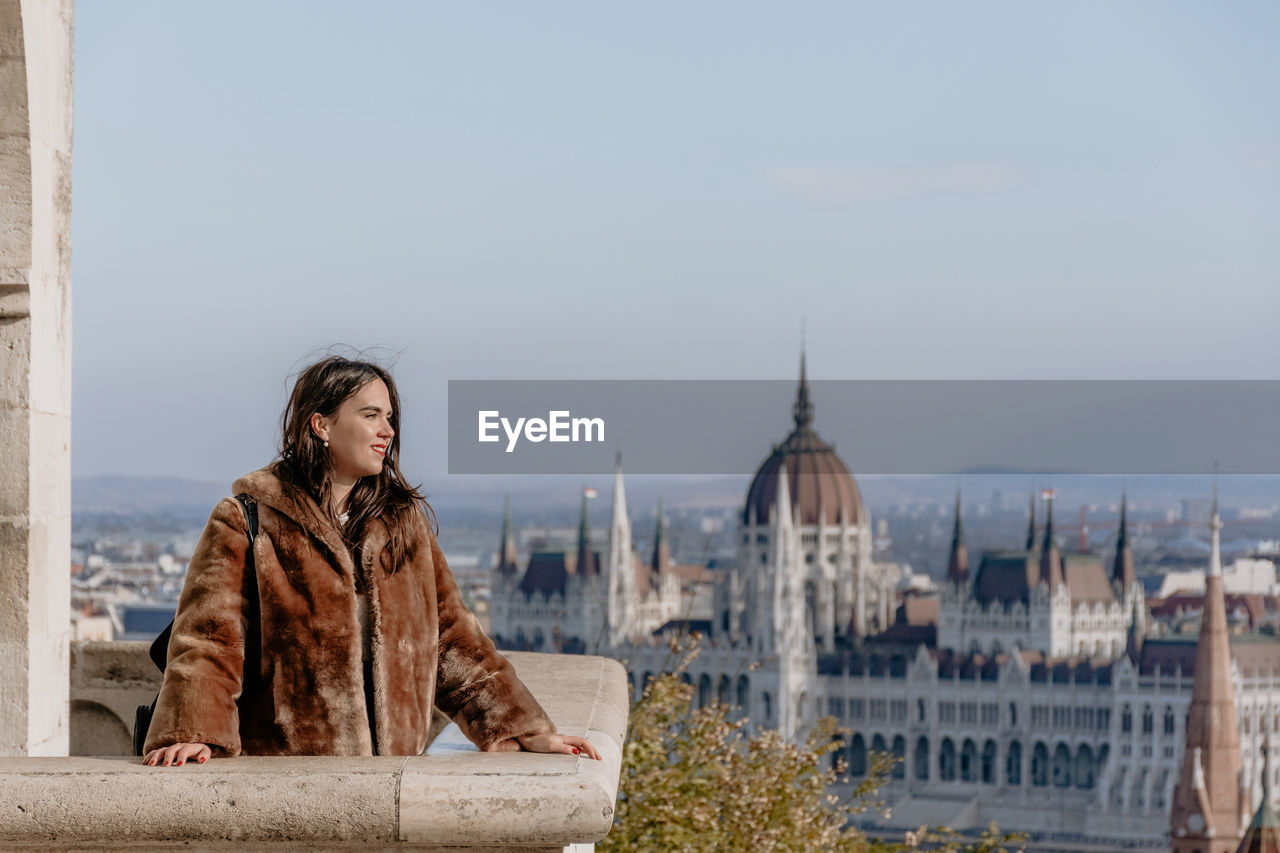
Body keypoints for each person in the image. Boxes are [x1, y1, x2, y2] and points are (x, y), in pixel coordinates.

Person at [143, 355, 599, 766]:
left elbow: (453, 641)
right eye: (370, 415)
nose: (388, 430)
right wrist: (194, 733)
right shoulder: (248, 519)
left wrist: (524, 729)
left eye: (390, 417)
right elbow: (208, 639)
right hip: (285, 783)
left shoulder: (402, 523)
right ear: (321, 425)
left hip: (391, 784)